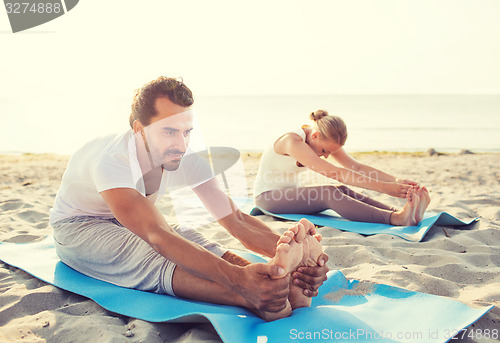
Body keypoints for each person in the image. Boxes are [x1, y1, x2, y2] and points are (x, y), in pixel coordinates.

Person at [49, 77, 329, 321]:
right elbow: (155, 234)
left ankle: (276, 281)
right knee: (151, 253)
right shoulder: (112, 160)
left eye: (186, 131)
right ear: (139, 129)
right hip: (78, 226)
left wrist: (291, 261)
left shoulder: (184, 154)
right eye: (169, 131)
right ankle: (250, 298)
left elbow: (234, 218)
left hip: (130, 219)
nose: (181, 144)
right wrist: (238, 282)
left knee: (190, 237)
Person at [254, 110, 430, 226]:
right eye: (325, 151)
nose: (326, 156)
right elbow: (336, 173)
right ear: (315, 136)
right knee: (328, 193)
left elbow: (356, 167)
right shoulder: (292, 142)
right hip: (268, 198)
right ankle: (395, 219)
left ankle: (402, 213)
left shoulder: (322, 139)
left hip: (289, 195)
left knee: (341, 189)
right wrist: (385, 188)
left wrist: (395, 181)